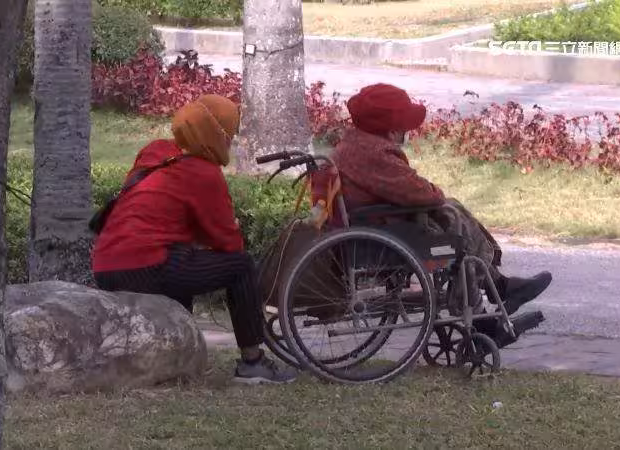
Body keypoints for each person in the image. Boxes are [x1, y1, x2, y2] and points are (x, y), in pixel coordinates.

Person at [91, 94, 297, 384]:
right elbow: (229, 244)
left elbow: (156, 210)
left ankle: (176, 358)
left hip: (106, 263)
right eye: (229, 134)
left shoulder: (155, 151)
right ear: (214, 133)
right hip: (145, 264)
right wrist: (224, 230)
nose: (231, 141)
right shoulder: (203, 172)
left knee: (183, 262)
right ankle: (253, 362)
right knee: (240, 266)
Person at [330, 83, 552, 337]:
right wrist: (436, 194)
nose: (407, 131)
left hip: (372, 225)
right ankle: (487, 307)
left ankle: (499, 286)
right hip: (383, 234)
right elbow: (421, 194)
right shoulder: (374, 153)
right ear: (392, 129)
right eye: (404, 126)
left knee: (451, 209)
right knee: (453, 226)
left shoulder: (353, 144)